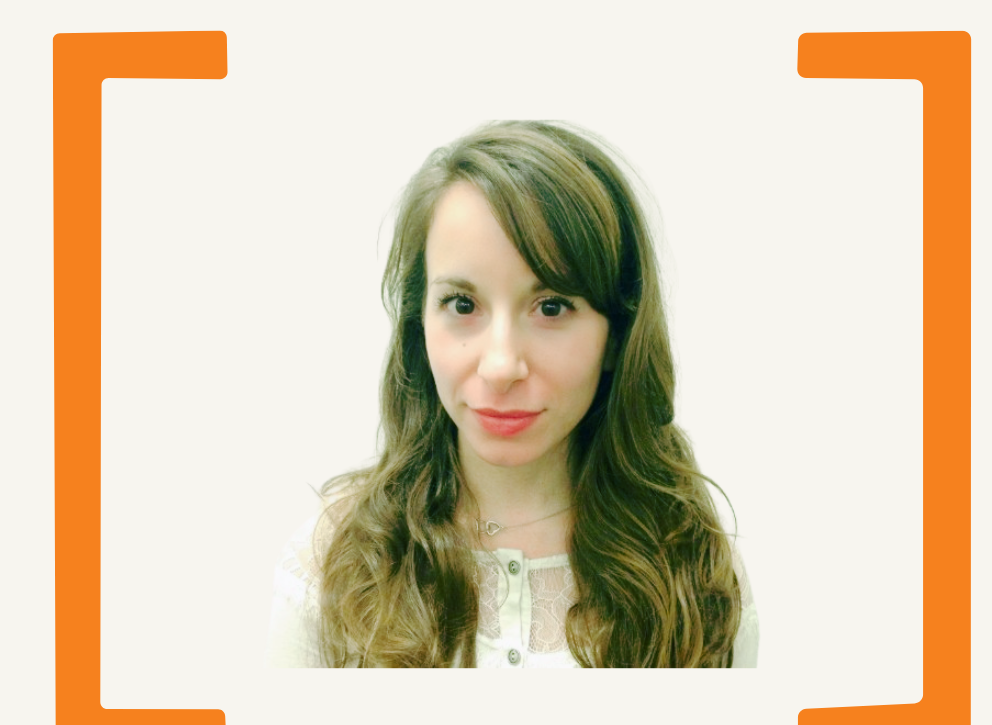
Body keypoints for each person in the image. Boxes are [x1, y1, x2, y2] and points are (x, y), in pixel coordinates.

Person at [266, 120, 758, 668]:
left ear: (617, 334)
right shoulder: (330, 564)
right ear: (418, 321)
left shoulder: (695, 570)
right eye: (461, 305)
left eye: (551, 307)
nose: (501, 366)